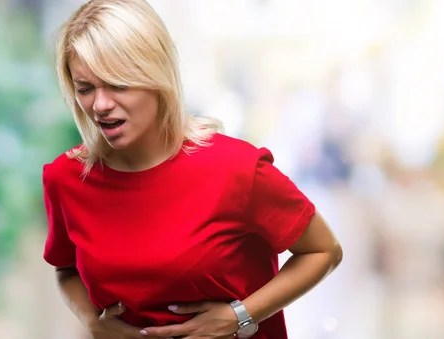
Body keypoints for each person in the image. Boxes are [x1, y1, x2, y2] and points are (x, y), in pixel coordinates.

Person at [41, 1, 343, 339]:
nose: (100, 104)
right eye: (85, 88)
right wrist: (92, 321)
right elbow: (66, 269)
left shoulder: (238, 169)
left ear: (155, 75)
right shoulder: (65, 178)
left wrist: (239, 316)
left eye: (117, 84)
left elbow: (323, 251)